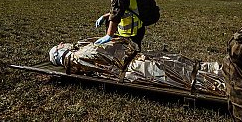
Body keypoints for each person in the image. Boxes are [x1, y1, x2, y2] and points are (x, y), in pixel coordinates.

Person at [49, 37, 226, 97]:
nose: (63, 43)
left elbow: (118, 44)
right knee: (183, 76)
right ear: (59, 53)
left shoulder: (79, 50)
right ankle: (228, 85)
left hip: (138, 59)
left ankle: (222, 70)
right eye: (59, 45)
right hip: (135, 68)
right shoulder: (77, 57)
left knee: (181, 62)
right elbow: (113, 51)